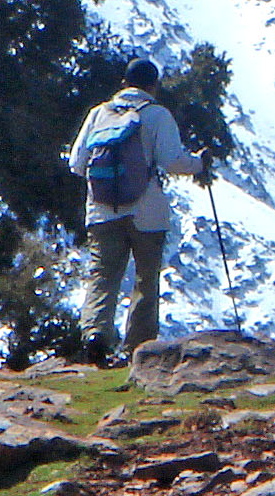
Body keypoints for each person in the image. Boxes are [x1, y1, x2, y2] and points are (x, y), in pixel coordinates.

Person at [67, 57, 207, 364]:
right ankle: (137, 350)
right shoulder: (157, 115)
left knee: (102, 276)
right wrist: (199, 164)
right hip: (147, 211)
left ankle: (95, 336)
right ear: (153, 86)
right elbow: (172, 161)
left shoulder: (98, 114)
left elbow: (77, 163)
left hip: (102, 210)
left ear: (123, 84)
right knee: (146, 278)